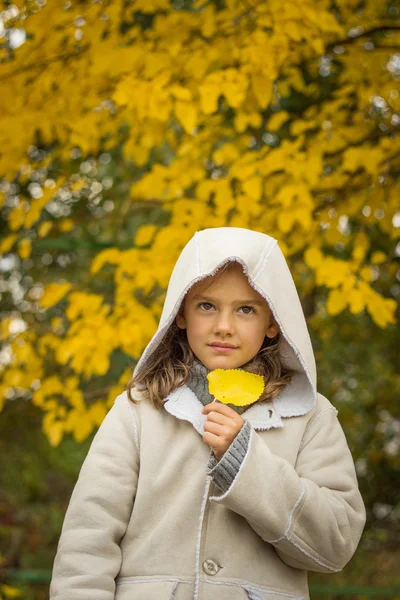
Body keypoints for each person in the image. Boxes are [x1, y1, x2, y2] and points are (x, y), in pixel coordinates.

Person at [49, 227, 366, 600]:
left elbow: (334, 546)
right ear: (181, 313)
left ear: (273, 322)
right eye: (206, 306)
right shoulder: (138, 410)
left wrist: (246, 463)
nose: (224, 327)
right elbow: (86, 545)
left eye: (246, 309)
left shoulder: (310, 417)